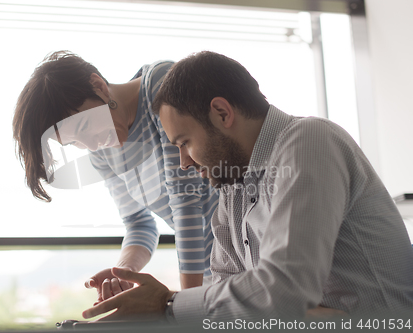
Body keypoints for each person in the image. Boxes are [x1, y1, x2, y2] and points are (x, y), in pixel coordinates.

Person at [82, 51, 413, 323]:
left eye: (184, 142)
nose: (183, 161)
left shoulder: (310, 142)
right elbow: (230, 302)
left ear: (222, 113)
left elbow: (284, 292)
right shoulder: (234, 189)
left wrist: (168, 303)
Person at [12, 51, 219, 304]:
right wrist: (122, 272)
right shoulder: (101, 155)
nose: (91, 144)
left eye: (84, 127)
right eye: (74, 142)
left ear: (99, 86)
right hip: (210, 275)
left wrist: (190, 303)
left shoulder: (160, 86)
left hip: (249, 250)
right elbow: (139, 224)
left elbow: (186, 203)